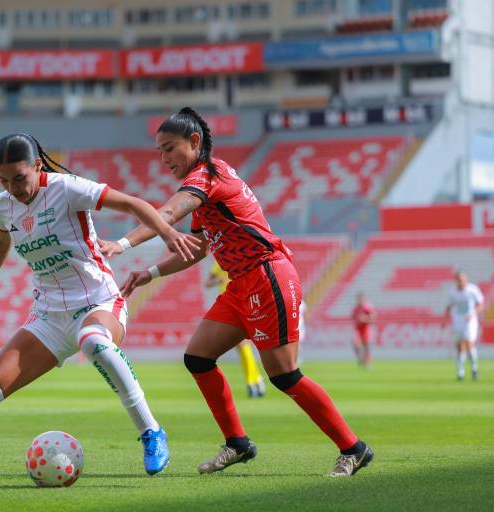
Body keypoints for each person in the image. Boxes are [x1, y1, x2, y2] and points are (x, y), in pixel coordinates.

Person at [0, 133, 201, 490]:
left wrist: (168, 233)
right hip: (47, 316)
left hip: (98, 301)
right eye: (3, 180)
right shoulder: (4, 205)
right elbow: (0, 241)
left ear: (37, 166)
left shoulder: (68, 188)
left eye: (19, 178)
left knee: (93, 341)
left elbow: (133, 203)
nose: (12, 188)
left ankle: (151, 431)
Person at [102, 107, 373, 478]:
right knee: (198, 358)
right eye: (160, 151)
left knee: (284, 375)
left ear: (194, 142)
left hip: (267, 277)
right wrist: (150, 272)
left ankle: (353, 449)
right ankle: (237, 444)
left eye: (169, 148)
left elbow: (166, 214)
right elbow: (197, 248)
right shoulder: (206, 185)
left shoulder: (207, 177)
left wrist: (121, 242)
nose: (164, 159)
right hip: (241, 284)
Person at [205, 260, 266, 398]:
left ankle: (253, 382)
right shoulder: (219, 262)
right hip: (227, 304)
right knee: (242, 346)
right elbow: (207, 283)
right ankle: (256, 379)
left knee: (243, 344)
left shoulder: (241, 259)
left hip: (243, 302)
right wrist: (219, 280)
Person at [445, 270, 484, 381]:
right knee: (459, 347)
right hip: (457, 321)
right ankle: (460, 372)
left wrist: (473, 313)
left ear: (466, 280)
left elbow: (480, 304)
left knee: (469, 344)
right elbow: (449, 306)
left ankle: (474, 369)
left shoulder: (472, 290)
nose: (460, 282)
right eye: (458, 280)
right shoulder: (452, 292)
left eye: (462, 280)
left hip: (470, 321)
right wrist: (445, 317)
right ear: (456, 281)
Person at [351, 293, 376, 368]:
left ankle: (367, 363)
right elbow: (352, 318)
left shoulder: (367, 308)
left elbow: (372, 318)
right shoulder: (355, 309)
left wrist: (364, 319)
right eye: (359, 299)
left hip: (366, 329)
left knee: (366, 346)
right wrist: (357, 320)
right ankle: (360, 358)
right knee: (355, 344)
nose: (360, 300)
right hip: (358, 329)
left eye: (361, 299)